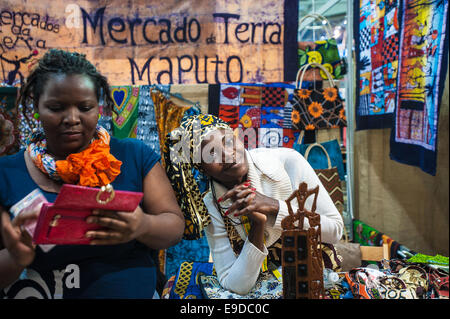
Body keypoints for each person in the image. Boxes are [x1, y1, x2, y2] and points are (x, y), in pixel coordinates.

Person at [0, 49, 184, 299]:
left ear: (99, 107)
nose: (72, 118)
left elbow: (174, 225)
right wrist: (15, 257)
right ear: (36, 107)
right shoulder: (6, 173)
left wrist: (143, 225)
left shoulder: (133, 156)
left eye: (85, 107)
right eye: (56, 108)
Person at [164, 114, 343, 296]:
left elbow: (336, 231)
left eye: (228, 141)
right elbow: (235, 285)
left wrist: (274, 206)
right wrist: (257, 227)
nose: (227, 154)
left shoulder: (288, 162)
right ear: (202, 167)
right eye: (211, 154)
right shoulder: (212, 205)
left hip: (314, 277)